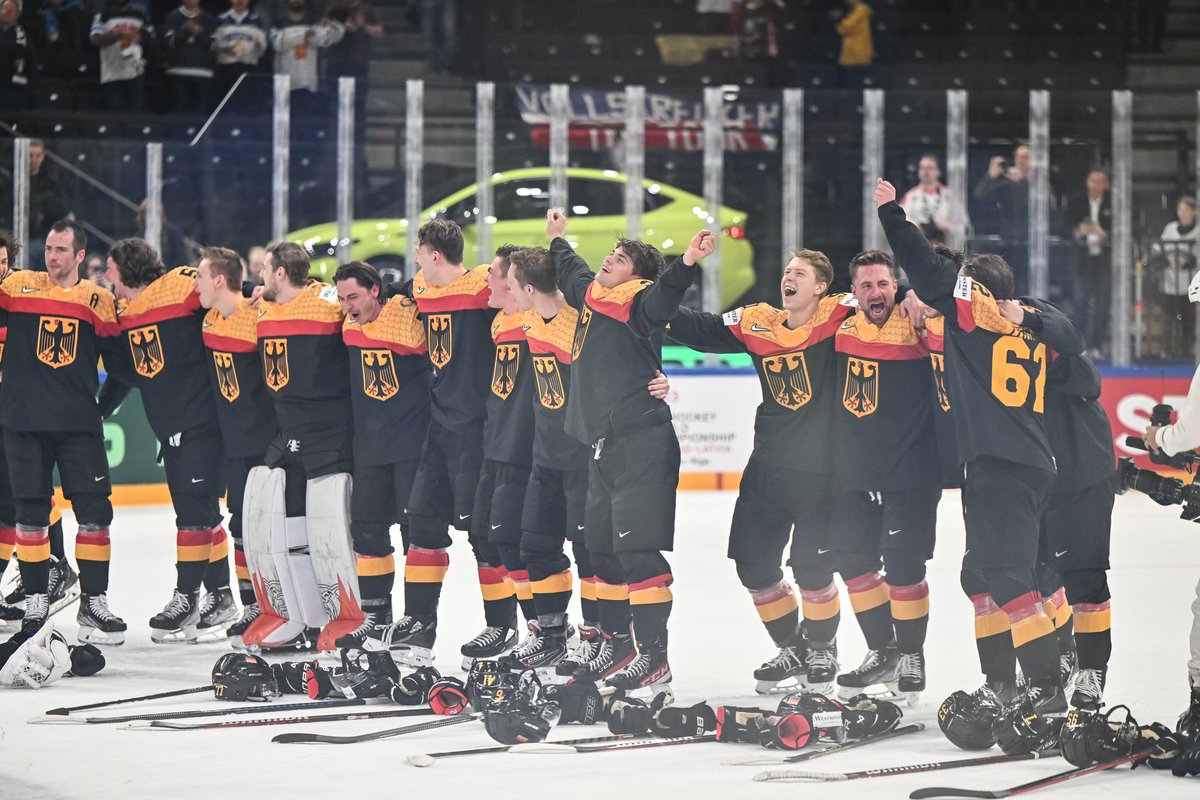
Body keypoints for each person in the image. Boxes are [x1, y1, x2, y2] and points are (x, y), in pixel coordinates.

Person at [876, 178, 1081, 745]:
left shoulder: (969, 315)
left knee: (1011, 581)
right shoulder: (1026, 317)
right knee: (983, 577)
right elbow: (1072, 336)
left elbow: (923, 264)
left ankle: (1045, 688)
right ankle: (1006, 683)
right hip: (1024, 462)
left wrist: (891, 213)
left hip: (1000, 463)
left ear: (976, 293)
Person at [667, 249, 853, 695]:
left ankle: (823, 648)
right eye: (786, 271)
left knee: (812, 568)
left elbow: (884, 298)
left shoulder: (839, 314)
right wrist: (653, 300)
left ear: (820, 287)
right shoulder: (758, 322)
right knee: (753, 565)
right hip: (768, 465)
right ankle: (794, 647)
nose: (788, 278)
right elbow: (699, 328)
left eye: (800, 273)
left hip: (823, 471)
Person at [549, 209, 715, 694]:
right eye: (612, 254)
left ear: (635, 275)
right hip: (604, 447)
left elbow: (664, 299)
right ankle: (619, 647)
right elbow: (571, 269)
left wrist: (685, 261)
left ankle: (655, 659)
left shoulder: (640, 302)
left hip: (643, 443)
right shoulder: (592, 294)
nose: (609, 260)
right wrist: (557, 238)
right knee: (601, 550)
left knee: (638, 553)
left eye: (619, 259)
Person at [372, 219, 496, 668]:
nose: (416, 259)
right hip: (437, 430)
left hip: (478, 433)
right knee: (421, 524)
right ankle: (419, 624)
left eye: (419, 251)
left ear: (435, 254)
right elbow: (393, 291)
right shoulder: (421, 287)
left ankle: (501, 627)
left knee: (485, 536)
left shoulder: (485, 289)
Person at [100, 239, 233, 644]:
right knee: (205, 513)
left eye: (111, 272)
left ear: (126, 270)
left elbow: (227, 302)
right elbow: (126, 374)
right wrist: (98, 412)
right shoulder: (125, 313)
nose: (108, 280)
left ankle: (187, 599)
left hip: (202, 420)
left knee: (193, 515)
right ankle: (222, 597)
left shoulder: (182, 286)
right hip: (171, 426)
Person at [0, 220, 125, 646]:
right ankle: (36, 598)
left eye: (60, 250)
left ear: (78, 257)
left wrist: (99, 409)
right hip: (23, 424)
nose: (52, 257)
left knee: (95, 515)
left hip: (77, 427)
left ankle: (95, 600)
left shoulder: (98, 300)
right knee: (30, 515)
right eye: (49, 248)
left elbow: (123, 367)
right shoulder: (17, 287)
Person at [830, 250, 941, 704]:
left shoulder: (918, 322)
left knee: (903, 567)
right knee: (854, 565)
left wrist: (924, 299)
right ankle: (884, 651)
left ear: (895, 287)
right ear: (853, 292)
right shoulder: (838, 324)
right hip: (854, 472)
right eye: (867, 285)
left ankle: (912, 654)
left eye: (883, 284)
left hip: (911, 471)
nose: (876, 292)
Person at [249, 242, 358, 653]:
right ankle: (298, 615)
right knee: (285, 531)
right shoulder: (264, 306)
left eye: (264, 270)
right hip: (286, 433)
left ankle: (348, 617)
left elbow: (363, 303)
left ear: (280, 273)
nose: (259, 277)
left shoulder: (328, 303)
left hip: (329, 434)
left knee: (331, 533)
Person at [331, 261, 429, 647]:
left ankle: (417, 623)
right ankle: (375, 615)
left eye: (353, 296)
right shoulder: (348, 324)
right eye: (341, 298)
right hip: (369, 447)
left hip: (410, 446)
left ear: (375, 290)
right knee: (367, 532)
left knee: (414, 537)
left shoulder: (406, 314)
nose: (347, 306)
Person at [194, 246, 279, 646]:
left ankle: (280, 607)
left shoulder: (259, 318)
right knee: (241, 529)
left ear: (218, 280)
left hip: (267, 447)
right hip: (234, 447)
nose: (194, 284)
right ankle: (251, 607)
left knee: (270, 531)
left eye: (199, 276)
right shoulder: (209, 320)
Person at [0, 234, 79, 632]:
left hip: (18, 414)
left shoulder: (22, 293)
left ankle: (56, 566)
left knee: (27, 494)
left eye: (2, 262)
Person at [1066, 168, 1113, 352]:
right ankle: (1081, 344)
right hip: (1081, 261)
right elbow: (1065, 226)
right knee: (1080, 301)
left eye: (1100, 182)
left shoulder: (1112, 203)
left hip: (1104, 261)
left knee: (1103, 303)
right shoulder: (1076, 201)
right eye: (1093, 181)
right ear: (1087, 182)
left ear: (1106, 185)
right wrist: (1079, 232)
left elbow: (1123, 229)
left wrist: (1104, 234)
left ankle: (1098, 344)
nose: (1096, 186)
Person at [270, 0, 343, 118]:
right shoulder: (278, 22)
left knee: (307, 124)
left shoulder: (315, 22)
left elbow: (333, 37)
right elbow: (277, 43)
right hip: (285, 85)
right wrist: (303, 35)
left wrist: (332, 25)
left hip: (309, 84)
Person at [972, 145, 1030, 294]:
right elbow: (980, 196)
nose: (1022, 161)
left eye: (1026, 157)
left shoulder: (1038, 184)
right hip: (1005, 241)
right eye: (1019, 157)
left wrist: (1022, 182)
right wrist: (991, 175)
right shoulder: (1005, 183)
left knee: (1025, 287)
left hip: (1029, 243)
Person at [1154, 197, 1199, 358]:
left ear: (1194, 211)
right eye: (1180, 209)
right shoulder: (1170, 228)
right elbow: (1160, 251)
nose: (1183, 213)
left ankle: (1187, 350)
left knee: (1188, 319)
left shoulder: (1198, 231)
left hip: (1190, 285)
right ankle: (1168, 349)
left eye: (1186, 210)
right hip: (1170, 282)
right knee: (1169, 318)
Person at [89, 0, 151, 112]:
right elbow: (95, 39)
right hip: (112, 73)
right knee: (115, 118)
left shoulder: (139, 15)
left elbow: (150, 35)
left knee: (135, 118)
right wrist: (119, 35)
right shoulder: (102, 16)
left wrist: (139, 36)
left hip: (135, 72)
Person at [162, 0, 216, 114]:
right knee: (178, 112)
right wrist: (186, 32)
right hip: (178, 72)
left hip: (203, 72)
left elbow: (212, 45)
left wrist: (197, 32)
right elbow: (171, 43)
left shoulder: (208, 18)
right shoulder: (173, 16)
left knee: (201, 114)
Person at [211, 0, 268, 109]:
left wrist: (259, 47)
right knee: (225, 105)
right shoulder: (220, 19)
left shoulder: (256, 20)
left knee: (246, 104)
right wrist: (224, 48)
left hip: (248, 68)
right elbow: (213, 45)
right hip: (226, 68)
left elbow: (263, 48)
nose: (240, 1)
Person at [25, 141, 68, 273]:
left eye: (37, 155)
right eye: (31, 155)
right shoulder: (14, 180)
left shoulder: (51, 182)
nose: (34, 159)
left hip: (43, 237)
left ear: (43, 156)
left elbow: (60, 209)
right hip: (23, 237)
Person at [900, 155, 959, 243]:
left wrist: (947, 226)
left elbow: (963, 223)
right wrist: (916, 225)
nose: (925, 171)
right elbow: (900, 219)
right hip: (918, 243)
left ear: (938, 171)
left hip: (945, 245)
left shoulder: (950, 196)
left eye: (929, 168)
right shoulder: (911, 195)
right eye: (922, 168)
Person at [0, 0, 36, 112]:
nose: (6, 12)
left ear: (18, 14)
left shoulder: (22, 38)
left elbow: (27, 70)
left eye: (11, 10)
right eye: (4, 8)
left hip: (12, 90)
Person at [832, 0, 872, 68]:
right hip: (850, 48)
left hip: (858, 49)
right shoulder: (852, 9)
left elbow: (846, 26)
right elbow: (842, 29)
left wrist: (838, 18)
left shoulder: (861, 9)